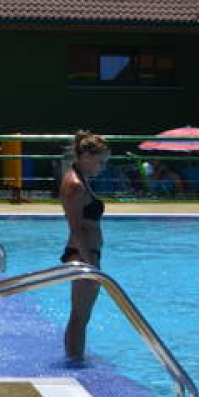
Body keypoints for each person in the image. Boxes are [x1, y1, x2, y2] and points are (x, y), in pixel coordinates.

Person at [60, 130, 110, 363]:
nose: (102, 167)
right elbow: (76, 229)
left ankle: (76, 358)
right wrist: (90, 266)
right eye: (100, 161)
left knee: (83, 316)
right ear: (86, 156)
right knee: (79, 316)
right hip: (82, 255)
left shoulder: (81, 179)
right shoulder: (75, 185)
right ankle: (74, 363)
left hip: (88, 254)